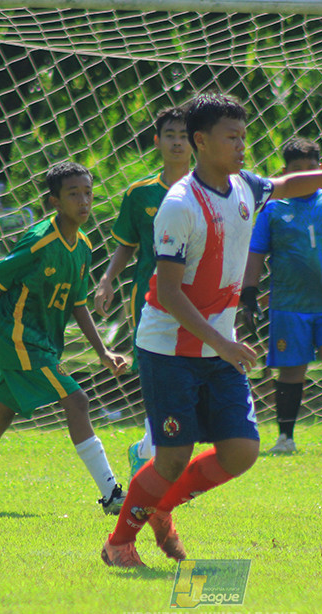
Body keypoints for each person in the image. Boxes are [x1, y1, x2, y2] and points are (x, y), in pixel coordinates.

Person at [100, 92, 322, 568]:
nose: (242, 145)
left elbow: (289, 183)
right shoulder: (179, 205)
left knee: (241, 451)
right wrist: (222, 342)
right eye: (232, 137)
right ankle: (119, 542)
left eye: (244, 136)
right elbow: (170, 293)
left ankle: (162, 507)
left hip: (218, 348)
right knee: (172, 457)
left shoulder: (244, 187)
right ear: (201, 142)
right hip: (169, 348)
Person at [0, 161, 129, 514]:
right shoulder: (39, 240)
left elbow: (78, 304)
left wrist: (102, 351)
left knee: (0, 415)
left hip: (42, 344)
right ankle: (112, 494)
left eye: (87, 193)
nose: (83, 201)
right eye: (73, 194)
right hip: (20, 340)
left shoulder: (83, 246)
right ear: (55, 201)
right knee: (78, 401)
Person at [241, 136, 322, 455]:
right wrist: (249, 292)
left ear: (320, 169)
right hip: (289, 307)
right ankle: (285, 438)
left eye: (312, 168)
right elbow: (256, 252)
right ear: (286, 172)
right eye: (298, 170)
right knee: (291, 371)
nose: (307, 175)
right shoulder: (272, 208)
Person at [94, 107, 192, 479]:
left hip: (198, 296)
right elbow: (127, 245)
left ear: (196, 142)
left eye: (184, 135)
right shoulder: (140, 193)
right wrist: (107, 279)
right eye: (170, 135)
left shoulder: (208, 190)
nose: (177, 142)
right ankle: (155, 454)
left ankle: (147, 450)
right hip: (150, 299)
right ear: (157, 141)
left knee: (189, 375)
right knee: (158, 371)